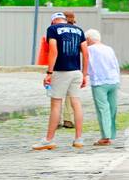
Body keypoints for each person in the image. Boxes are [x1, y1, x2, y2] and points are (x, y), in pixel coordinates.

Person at [32, 11, 88, 151]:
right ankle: (79, 139)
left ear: (53, 21)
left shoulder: (52, 29)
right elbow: (86, 54)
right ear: (64, 20)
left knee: (56, 105)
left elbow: (53, 51)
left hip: (60, 71)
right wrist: (84, 74)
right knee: (76, 103)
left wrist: (49, 73)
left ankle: (49, 140)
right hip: (76, 71)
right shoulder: (79, 30)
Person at [85, 29, 120, 146]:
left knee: (103, 109)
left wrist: (84, 75)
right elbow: (115, 64)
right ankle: (111, 133)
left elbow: (87, 65)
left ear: (88, 39)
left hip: (99, 82)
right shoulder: (109, 49)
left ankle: (105, 136)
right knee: (112, 108)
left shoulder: (89, 50)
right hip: (113, 81)